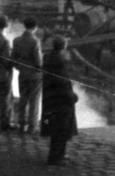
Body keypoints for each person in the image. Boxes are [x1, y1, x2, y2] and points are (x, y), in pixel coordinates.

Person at [42, 36, 78, 165]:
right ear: (63, 46)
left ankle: (60, 154)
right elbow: (61, 82)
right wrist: (71, 96)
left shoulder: (50, 58)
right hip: (61, 101)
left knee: (58, 129)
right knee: (61, 129)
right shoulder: (59, 61)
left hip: (53, 99)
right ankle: (56, 157)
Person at [11, 16, 43, 134]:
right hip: (34, 76)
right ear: (35, 27)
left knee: (23, 98)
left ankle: (21, 123)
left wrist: (19, 66)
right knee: (34, 100)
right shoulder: (35, 41)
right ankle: (32, 125)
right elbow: (38, 62)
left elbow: (13, 58)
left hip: (22, 73)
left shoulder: (16, 40)